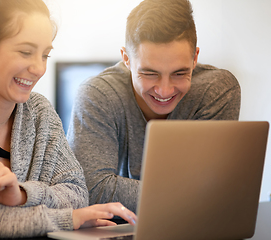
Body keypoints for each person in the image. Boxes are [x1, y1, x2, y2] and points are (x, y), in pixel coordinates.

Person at [0, 0, 137, 238]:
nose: (39, 68)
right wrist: (62, 219)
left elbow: (76, 193)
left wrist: (21, 195)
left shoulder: (40, 114)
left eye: (45, 55)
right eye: (26, 52)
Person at [67, 0, 241, 214]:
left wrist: (203, 193)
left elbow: (214, 190)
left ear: (195, 58)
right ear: (126, 59)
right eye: (150, 73)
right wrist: (193, 194)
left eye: (179, 73)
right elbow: (91, 190)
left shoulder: (216, 90)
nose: (165, 91)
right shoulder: (98, 94)